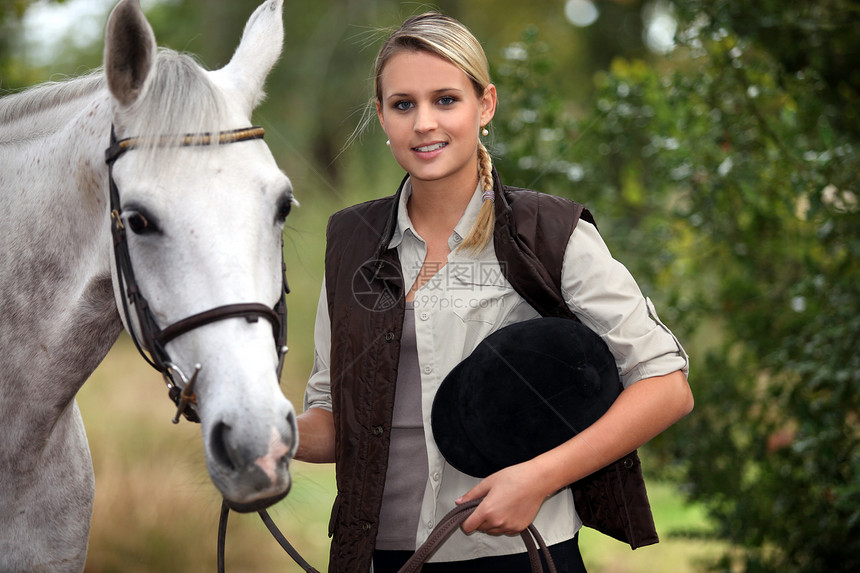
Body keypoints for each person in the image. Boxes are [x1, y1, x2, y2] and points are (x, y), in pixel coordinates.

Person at [295, 11, 693, 573]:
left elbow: (667, 385)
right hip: (376, 557)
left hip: (520, 555)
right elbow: (335, 424)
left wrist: (540, 477)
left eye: (446, 100)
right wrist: (260, 428)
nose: (424, 123)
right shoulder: (351, 243)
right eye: (403, 104)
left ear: (485, 106)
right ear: (381, 115)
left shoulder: (550, 233)